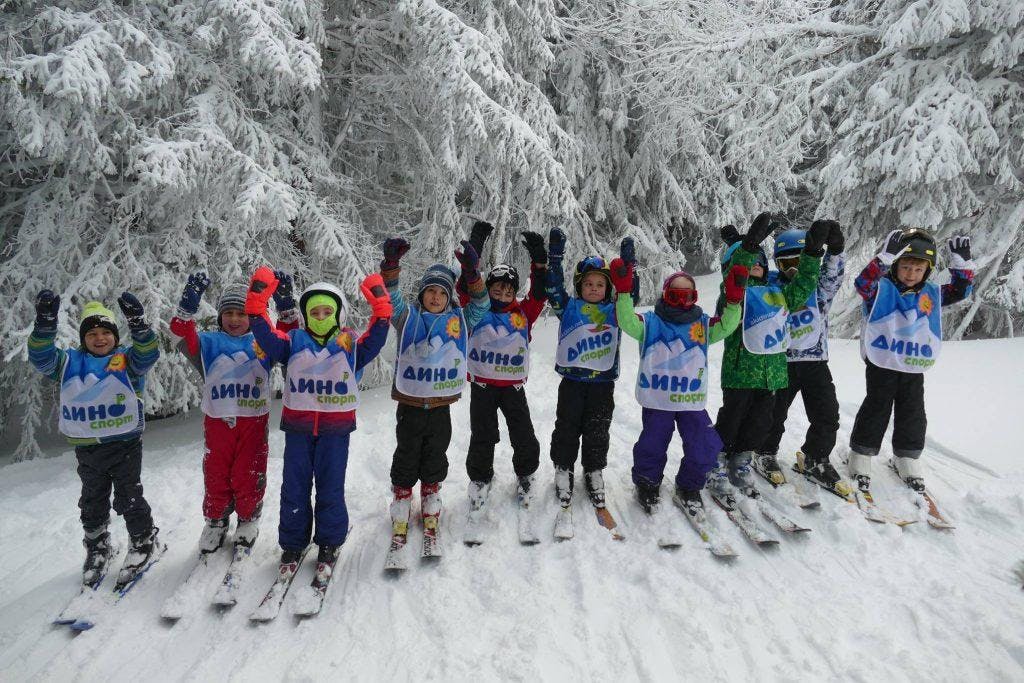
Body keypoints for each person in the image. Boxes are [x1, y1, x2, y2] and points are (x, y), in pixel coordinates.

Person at [245, 267, 391, 575]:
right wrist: (257, 309)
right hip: (298, 430)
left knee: (330, 487)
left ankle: (329, 541)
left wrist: (381, 310)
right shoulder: (293, 341)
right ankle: (293, 544)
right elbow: (267, 339)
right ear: (306, 315)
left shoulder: (349, 344)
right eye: (315, 311)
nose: (321, 316)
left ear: (337, 314)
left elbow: (375, 341)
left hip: (335, 432)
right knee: (294, 487)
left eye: (328, 311)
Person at [28, 290, 162, 588]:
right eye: (92, 333)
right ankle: (97, 545)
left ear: (115, 335)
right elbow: (40, 357)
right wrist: (45, 325)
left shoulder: (127, 359)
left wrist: (139, 325)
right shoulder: (68, 363)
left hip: (125, 444)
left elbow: (149, 352)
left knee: (129, 496)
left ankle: (143, 540)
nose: (99, 338)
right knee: (91, 500)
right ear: (83, 338)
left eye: (105, 332)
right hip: (88, 448)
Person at [169, 272, 298, 557]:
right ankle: (216, 520)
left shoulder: (263, 340)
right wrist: (187, 306)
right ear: (220, 316)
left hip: (253, 422)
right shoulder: (208, 343)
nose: (235, 319)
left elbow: (289, 340)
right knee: (216, 472)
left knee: (248, 472)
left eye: (241, 313)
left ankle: (248, 519)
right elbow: (179, 333)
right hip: (217, 423)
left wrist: (285, 306)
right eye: (228, 312)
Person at [608, 256, 747, 518]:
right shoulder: (650, 323)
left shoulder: (703, 325)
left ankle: (689, 485)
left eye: (687, 296)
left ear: (694, 297)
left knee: (706, 445)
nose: (682, 303)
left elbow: (728, 325)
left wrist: (734, 300)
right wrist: (624, 292)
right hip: (658, 400)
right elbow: (626, 321)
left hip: (689, 401)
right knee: (652, 444)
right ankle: (647, 483)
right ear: (665, 296)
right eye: (675, 296)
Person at [378, 236, 488, 551]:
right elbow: (391, 297)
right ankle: (401, 496)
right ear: (423, 294)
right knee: (407, 451)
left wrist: (473, 275)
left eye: (442, 292)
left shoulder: (459, 320)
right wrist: (391, 267)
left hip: (440, 404)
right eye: (431, 291)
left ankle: (430, 492)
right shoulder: (407, 318)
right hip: (411, 404)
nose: (436, 297)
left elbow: (481, 304)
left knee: (436, 451)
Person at [848, 229, 974, 492]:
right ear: (896, 265)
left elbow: (961, 291)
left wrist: (961, 269)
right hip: (882, 360)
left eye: (918, 270)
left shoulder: (931, 293)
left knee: (912, 409)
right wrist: (881, 260)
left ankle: (907, 455)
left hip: (912, 361)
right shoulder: (880, 289)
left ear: (926, 272)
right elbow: (862, 284)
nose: (911, 274)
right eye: (906, 267)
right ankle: (861, 453)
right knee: (877, 406)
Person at [711, 214, 826, 498]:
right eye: (751, 264)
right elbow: (734, 283)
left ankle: (740, 461)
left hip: (772, 374)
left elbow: (804, 285)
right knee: (731, 421)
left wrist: (812, 255)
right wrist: (747, 248)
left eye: (761, 263)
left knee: (761, 423)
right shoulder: (733, 293)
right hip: (740, 373)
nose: (756, 268)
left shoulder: (780, 292)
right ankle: (715, 462)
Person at [753, 223, 852, 496]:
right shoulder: (773, 286)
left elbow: (834, 276)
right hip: (780, 362)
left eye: (800, 261)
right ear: (779, 265)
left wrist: (834, 250)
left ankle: (815, 458)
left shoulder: (819, 289)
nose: (795, 269)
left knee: (827, 414)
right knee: (774, 414)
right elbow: (752, 283)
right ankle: (764, 451)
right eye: (788, 263)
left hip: (815, 361)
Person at [543, 229, 630, 512]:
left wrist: (629, 269)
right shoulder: (569, 307)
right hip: (573, 381)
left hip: (602, 383)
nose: (594, 288)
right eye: (588, 284)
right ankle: (563, 467)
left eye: (600, 285)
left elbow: (631, 293)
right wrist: (554, 259)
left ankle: (594, 470)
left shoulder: (616, 310)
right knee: (566, 426)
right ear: (580, 287)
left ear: (608, 288)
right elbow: (552, 288)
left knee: (598, 428)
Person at [464, 230, 548, 519]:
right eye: (496, 290)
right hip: (483, 386)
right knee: (483, 435)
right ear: (488, 290)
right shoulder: (476, 312)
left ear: (515, 293)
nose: (502, 295)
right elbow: (466, 287)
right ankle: (480, 478)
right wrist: (474, 249)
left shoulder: (523, 313)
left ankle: (525, 475)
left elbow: (539, 294)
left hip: (513, 388)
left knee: (522, 433)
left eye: (508, 291)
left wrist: (539, 262)